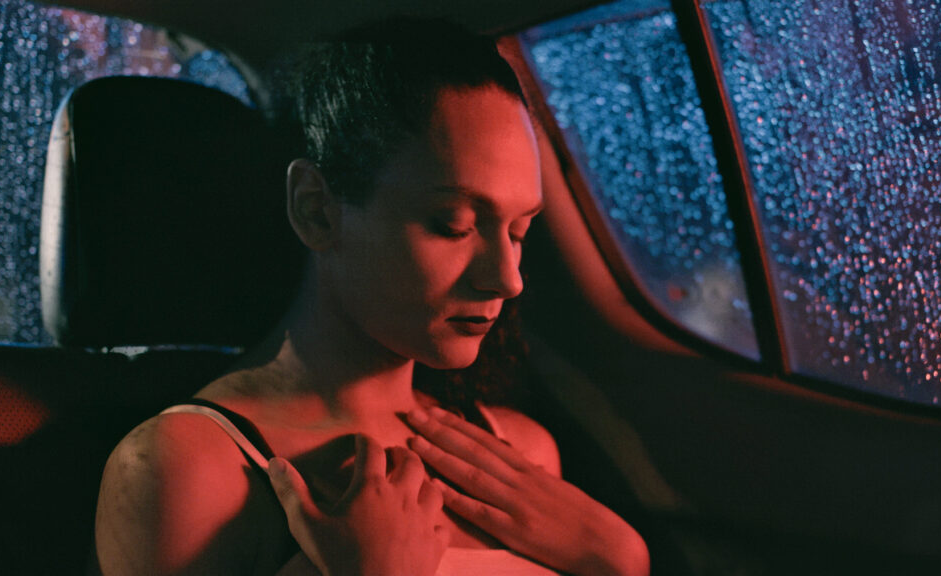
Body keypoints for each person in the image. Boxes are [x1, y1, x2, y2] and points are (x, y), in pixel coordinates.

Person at [94, 19, 650, 576]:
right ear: (316, 210)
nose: (508, 279)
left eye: (519, 230)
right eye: (453, 224)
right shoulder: (188, 470)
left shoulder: (518, 457)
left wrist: (620, 560)